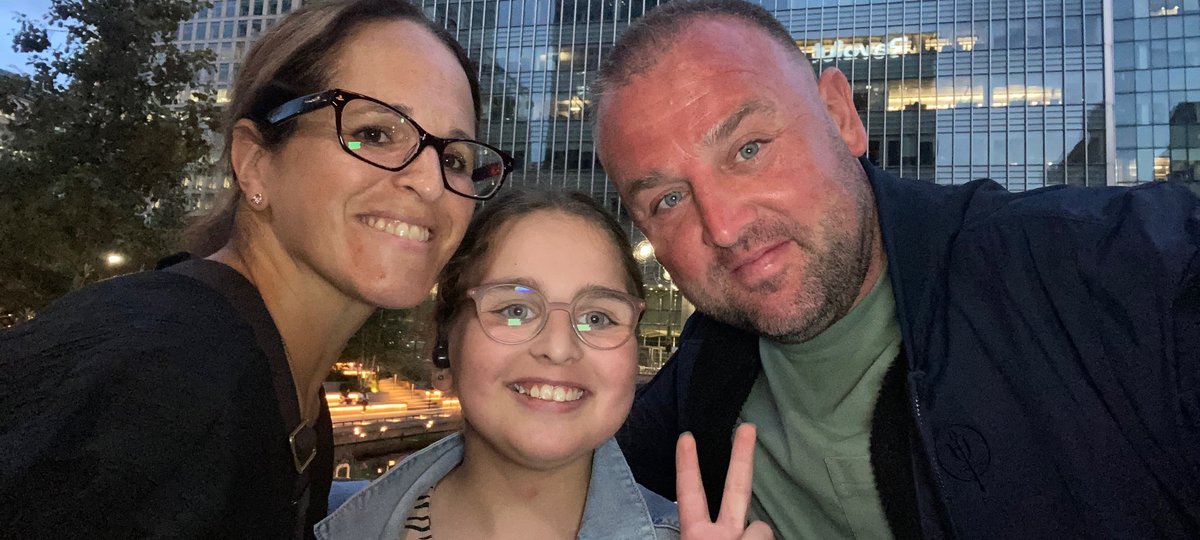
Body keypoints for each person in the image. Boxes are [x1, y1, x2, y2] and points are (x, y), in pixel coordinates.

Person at [592, 1, 1200, 538]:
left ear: (841, 117)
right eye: (668, 200)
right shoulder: (701, 374)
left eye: (749, 150)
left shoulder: (1100, 273)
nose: (723, 227)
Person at [0, 1, 513, 538]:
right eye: (376, 133)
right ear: (254, 162)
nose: (429, 183)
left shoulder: (284, 396)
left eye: (454, 159)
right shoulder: (163, 382)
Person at [315, 190, 773, 540]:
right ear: (443, 347)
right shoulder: (327, 524)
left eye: (598, 317)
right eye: (515, 310)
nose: (558, 347)